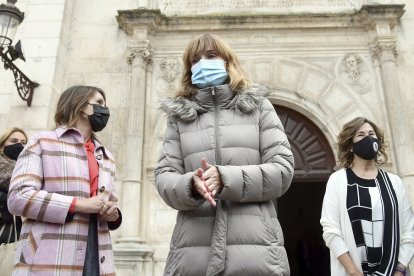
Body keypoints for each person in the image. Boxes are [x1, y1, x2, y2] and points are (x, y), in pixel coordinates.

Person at [154, 33, 294, 275]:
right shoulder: (179, 118)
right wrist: (190, 184)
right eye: (195, 60)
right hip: (192, 254)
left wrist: (225, 178)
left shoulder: (258, 107)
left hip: (257, 253)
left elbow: (282, 171)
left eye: (211, 55)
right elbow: (164, 176)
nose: (203, 63)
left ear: (228, 61)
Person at [7, 85, 122, 275]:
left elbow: (110, 201)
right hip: (50, 256)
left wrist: (113, 213)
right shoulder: (42, 142)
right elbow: (18, 197)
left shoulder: (105, 155)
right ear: (80, 105)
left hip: (97, 254)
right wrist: (78, 204)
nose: (105, 110)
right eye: (99, 103)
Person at [320, 117, 414, 276]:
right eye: (361, 135)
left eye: (371, 134)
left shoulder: (394, 182)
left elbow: (409, 232)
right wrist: (355, 272)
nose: (368, 138)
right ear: (350, 145)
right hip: (354, 272)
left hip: (393, 272)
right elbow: (331, 231)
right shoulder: (338, 181)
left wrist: (399, 271)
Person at [0, 127, 27, 244]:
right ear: (2, 146)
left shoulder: (28, 173)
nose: (19, 145)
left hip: (17, 233)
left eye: (23, 143)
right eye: (14, 141)